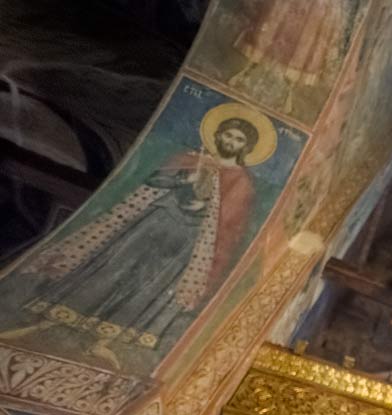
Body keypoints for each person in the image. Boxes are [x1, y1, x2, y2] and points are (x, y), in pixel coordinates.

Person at [2, 105, 270, 369]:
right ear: (218, 134)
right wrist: (182, 180)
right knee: (107, 267)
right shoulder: (188, 157)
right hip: (147, 225)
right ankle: (47, 319)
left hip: (182, 245)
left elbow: (227, 227)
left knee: (145, 287)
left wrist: (201, 205)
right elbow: (153, 184)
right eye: (228, 135)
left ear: (245, 147)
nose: (231, 142)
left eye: (238, 140)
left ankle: (105, 341)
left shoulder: (241, 182)